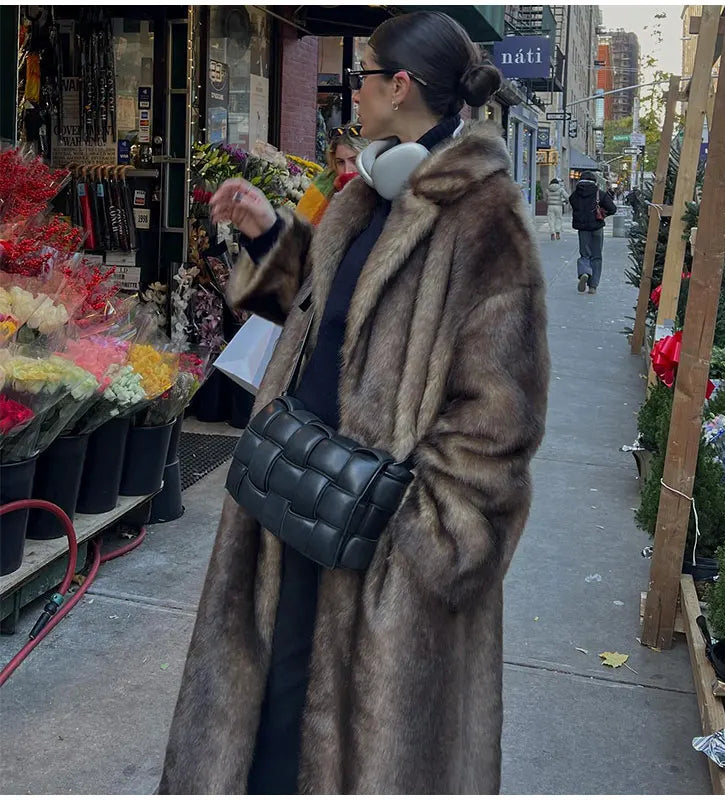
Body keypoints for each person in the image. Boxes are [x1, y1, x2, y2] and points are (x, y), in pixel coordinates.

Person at [158, 10, 549, 796]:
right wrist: (271, 236)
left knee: (353, 756)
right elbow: (320, 315)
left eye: (362, 76)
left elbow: (501, 424)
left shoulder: (486, 222)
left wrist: (421, 540)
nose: (351, 94)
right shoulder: (368, 193)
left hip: (382, 565)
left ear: (399, 87)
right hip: (294, 517)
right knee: (265, 736)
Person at [295, 125, 369, 226]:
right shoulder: (324, 191)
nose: (347, 171)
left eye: (354, 161)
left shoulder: (384, 192)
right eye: (340, 162)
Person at [569, 170, 617, 294]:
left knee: (585, 254)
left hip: (583, 229)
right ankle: (593, 286)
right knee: (596, 256)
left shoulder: (575, 195)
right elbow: (613, 208)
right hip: (597, 227)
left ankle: (584, 272)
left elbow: (573, 205)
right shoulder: (600, 194)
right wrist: (603, 214)